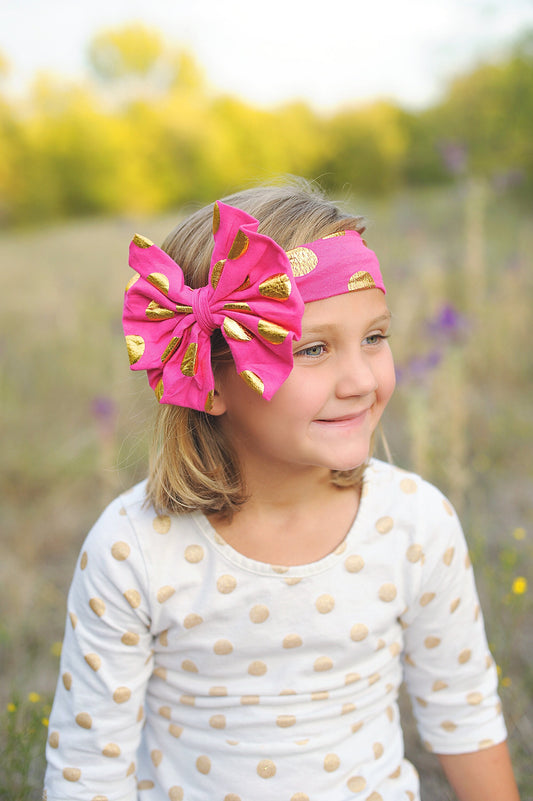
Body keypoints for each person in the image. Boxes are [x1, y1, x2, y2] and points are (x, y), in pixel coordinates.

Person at [43, 179, 520, 801]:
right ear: (209, 380)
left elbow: (465, 712)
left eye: (375, 337)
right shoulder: (134, 550)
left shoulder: (416, 523)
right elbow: (89, 771)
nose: (360, 379)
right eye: (314, 348)